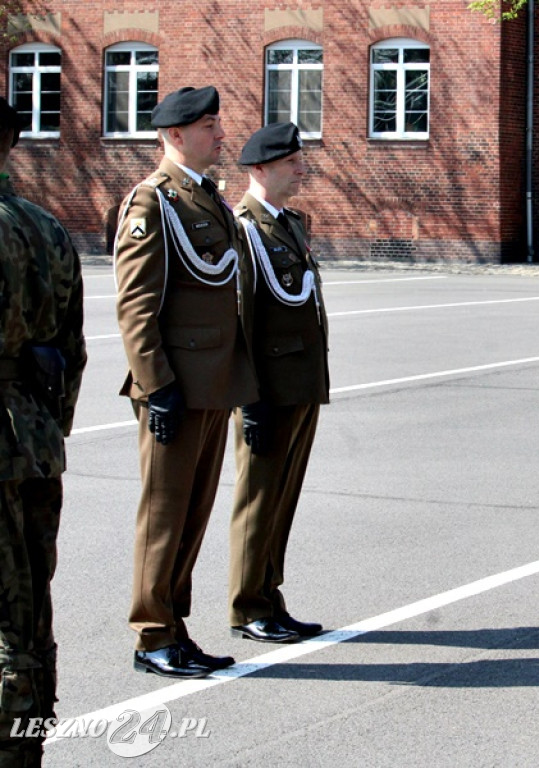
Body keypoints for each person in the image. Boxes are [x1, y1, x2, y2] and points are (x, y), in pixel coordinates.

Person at [114, 86, 258, 678]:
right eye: (208, 126)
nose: (221, 136)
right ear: (174, 135)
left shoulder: (206, 201)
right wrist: (157, 385)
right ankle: (152, 634)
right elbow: (135, 306)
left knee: (193, 515)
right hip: (174, 388)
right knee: (164, 516)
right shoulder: (153, 204)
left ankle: (175, 626)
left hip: (213, 385)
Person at [0, 96, 87, 766]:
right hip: (30, 445)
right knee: (25, 617)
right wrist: (48, 434)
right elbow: (71, 354)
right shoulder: (47, 230)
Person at [229, 122, 329, 643]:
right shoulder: (244, 228)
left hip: (299, 384)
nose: (301, 168)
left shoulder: (286, 224)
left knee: (281, 498)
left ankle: (269, 594)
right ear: (260, 169)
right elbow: (241, 318)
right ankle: (248, 606)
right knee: (258, 498)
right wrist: (250, 400)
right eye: (291, 162)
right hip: (268, 390)